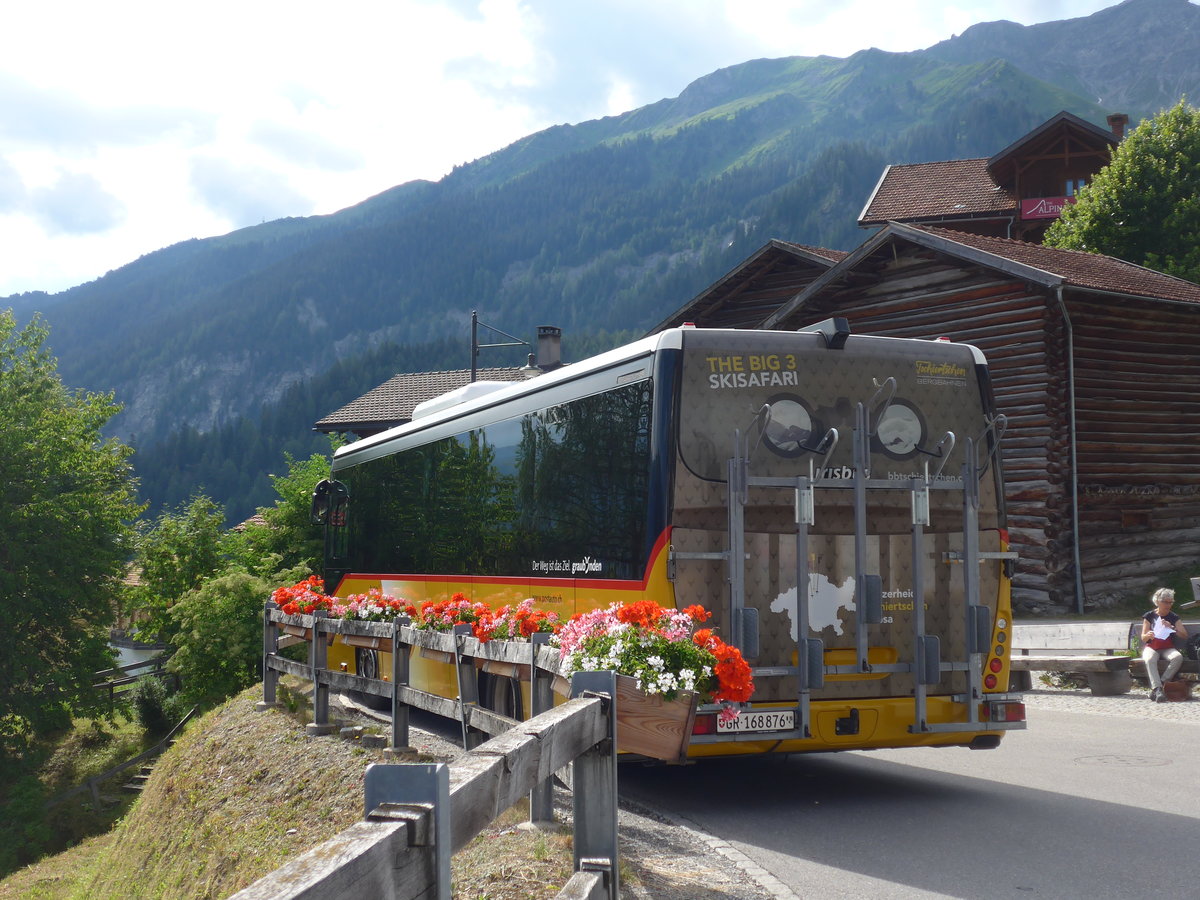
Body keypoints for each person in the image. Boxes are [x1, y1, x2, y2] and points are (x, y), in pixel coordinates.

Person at [1141, 587, 1188, 702]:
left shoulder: (1173, 617)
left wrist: (1172, 627)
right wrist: (1148, 635)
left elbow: (1184, 635)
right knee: (1149, 659)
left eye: (1170, 602)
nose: (1168, 605)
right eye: (1165, 602)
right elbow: (1143, 637)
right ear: (1157, 601)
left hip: (1167, 648)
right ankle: (1157, 689)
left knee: (1177, 657)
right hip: (1152, 647)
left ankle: (1160, 686)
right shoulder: (1149, 616)